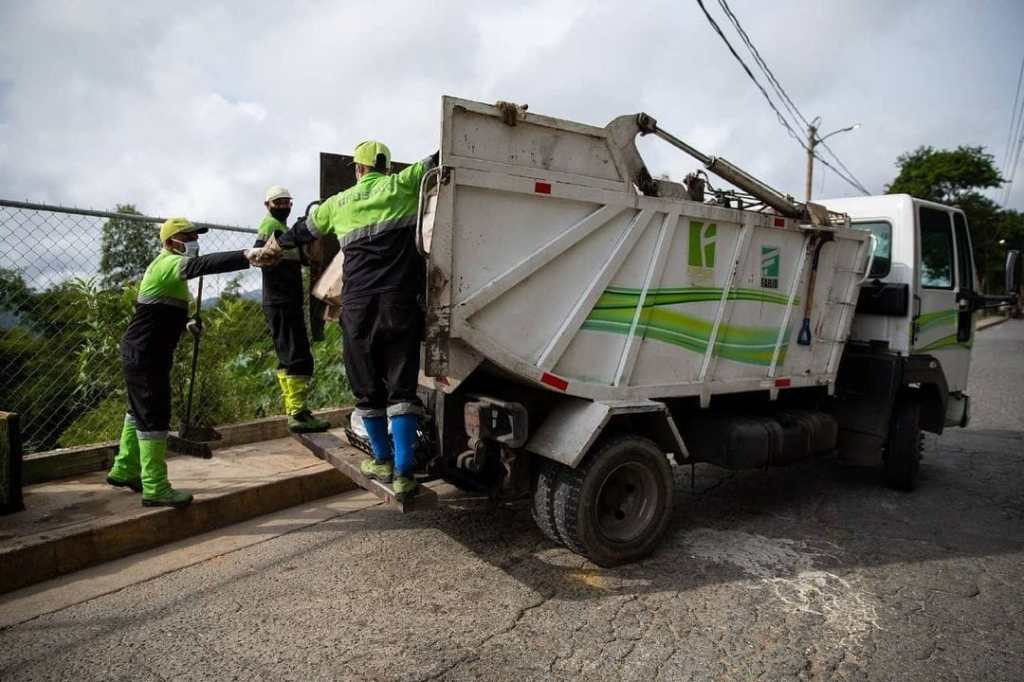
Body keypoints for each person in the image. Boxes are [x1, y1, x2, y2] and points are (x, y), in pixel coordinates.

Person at [279, 141, 438, 499]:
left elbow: (302, 232)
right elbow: (441, 155)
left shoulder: (338, 203)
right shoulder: (402, 184)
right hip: (398, 304)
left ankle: (381, 460)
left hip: (357, 308)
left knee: (367, 387)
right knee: (401, 388)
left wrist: (275, 245)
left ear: (358, 169)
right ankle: (403, 472)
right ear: (385, 165)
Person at [106, 217, 270, 508]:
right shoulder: (167, 263)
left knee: (138, 411)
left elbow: (155, 313)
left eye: (195, 235)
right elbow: (201, 265)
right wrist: (247, 254)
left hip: (144, 352)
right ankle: (155, 487)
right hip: (145, 355)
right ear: (170, 242)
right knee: (154, 416)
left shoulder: (169, 272)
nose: (193, 241)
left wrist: (185, 324)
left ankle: (124, 469)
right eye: (187, 236)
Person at [255, 185, 330, 433]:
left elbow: (300, 260)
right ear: (267, 205)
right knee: (298, 357)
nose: (284, 206)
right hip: (282, 301)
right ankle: (297, 413)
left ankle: (295, 410)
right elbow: (262, 256)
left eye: (287, 202)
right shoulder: (270, 228)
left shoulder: (283, 229)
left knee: (288, 357)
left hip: (283, 301)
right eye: (278, 202)